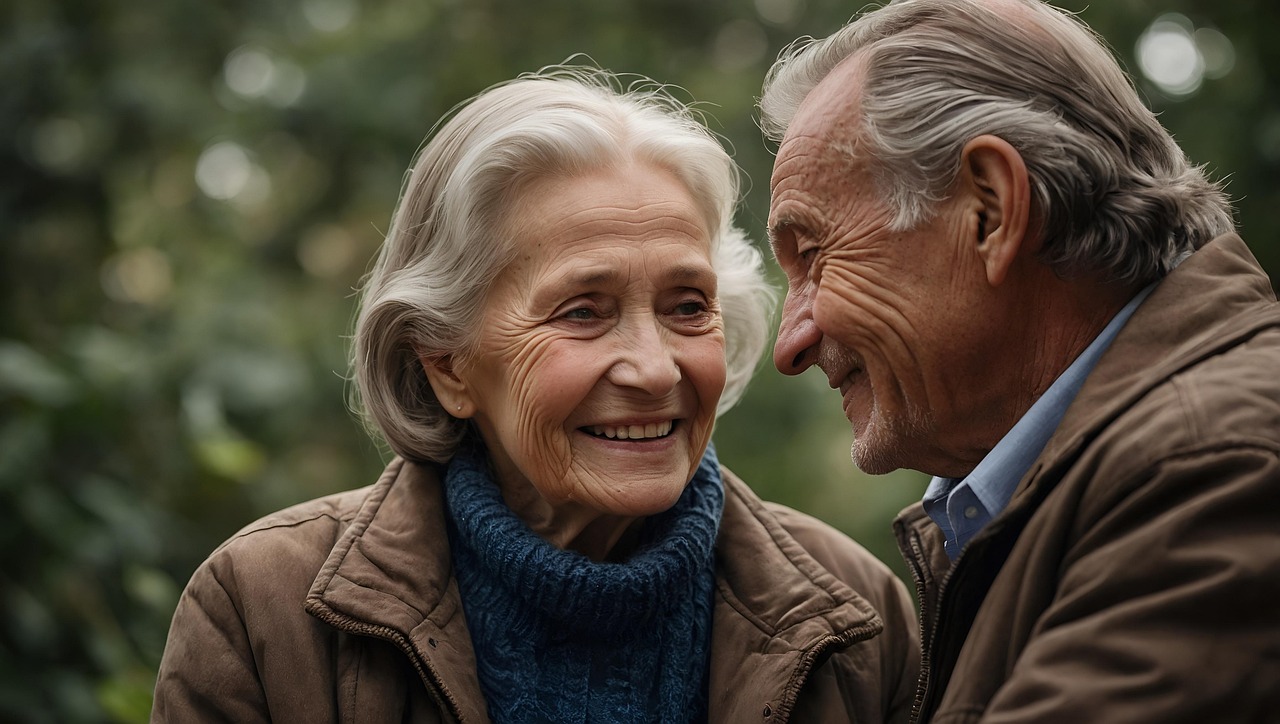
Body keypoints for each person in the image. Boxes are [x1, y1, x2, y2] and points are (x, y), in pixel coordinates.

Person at [151, 67, 919, 723]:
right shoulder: (263, 610)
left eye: (688, 306)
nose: (654, 370)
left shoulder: (861, 621)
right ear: (447, 364)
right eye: (582, 312)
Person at [759, 0, 1280, 721]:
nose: (790, 345)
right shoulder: (1075, 482)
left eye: (814, 256)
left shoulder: (1214, 459)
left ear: (992, 209)